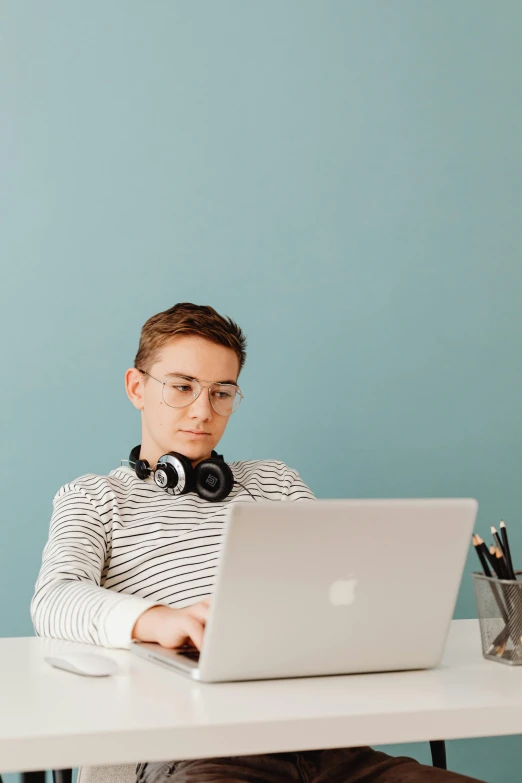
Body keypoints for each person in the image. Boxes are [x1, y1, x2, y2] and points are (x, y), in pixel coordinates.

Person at [30, 302, 486, 783]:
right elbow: (54, 599)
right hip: (192, 750)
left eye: (221, 393)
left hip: (326, 744)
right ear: (137, 387)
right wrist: (157, 620)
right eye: (182, 387)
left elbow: (342, 590)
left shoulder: (277, 484)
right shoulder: (94, 497)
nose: (203, 411)